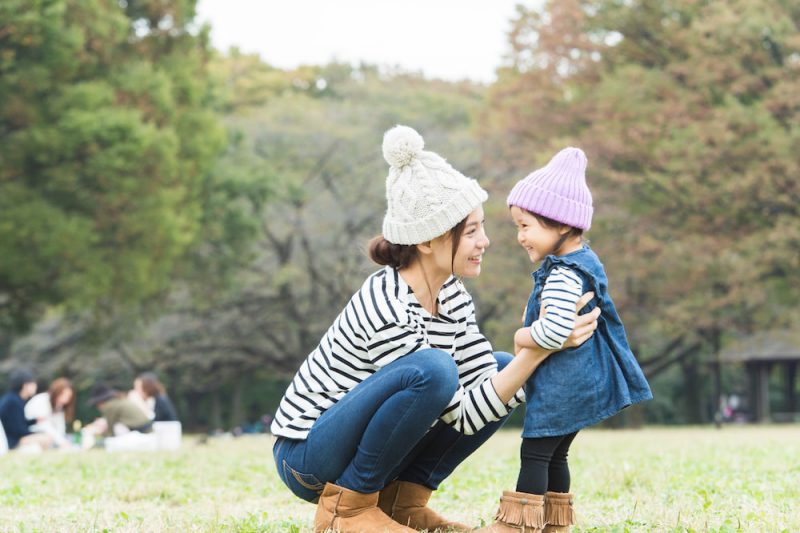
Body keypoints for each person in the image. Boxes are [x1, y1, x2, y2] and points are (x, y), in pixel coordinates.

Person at [270, 126, 600, 533]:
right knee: (436, 370)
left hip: (362, 450)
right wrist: (533, 348)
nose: (487, 241)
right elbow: (455, 408)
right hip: (308, 456)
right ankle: (347, 510)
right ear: (429, 241)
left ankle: (401, 502)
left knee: (498, 366)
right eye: (473, 230)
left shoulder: (453, 295)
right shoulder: (388, 302)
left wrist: (541, 340)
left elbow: (479, 395)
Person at [477, 148, 653, 532]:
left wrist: (520, 335)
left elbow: (554, 331)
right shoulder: (584, 260)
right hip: (578, 382)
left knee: (535, 453)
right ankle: (556, 524)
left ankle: (516, 526)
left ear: (559, 224)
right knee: (555, 456)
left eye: (525, 225)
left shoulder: (563, 274)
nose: (520, 236)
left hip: (562, 385)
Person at [0, 370, 54, 450]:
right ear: (25, 385)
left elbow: (18, 423)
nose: (36, 386)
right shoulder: (13, 402)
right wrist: (37, 433)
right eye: (33, 383)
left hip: (12, 437)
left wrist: (35, 420)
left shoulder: (13, 399)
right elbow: (19, 430)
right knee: (46, 438)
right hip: (11, 441)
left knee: (43, 436)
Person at [24, 377, 76, 449]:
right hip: (31, 433)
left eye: (68, 396)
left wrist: (64, 442)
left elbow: (60, 427)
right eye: (63, 395)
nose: (65, 399)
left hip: (48, 436)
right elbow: (44, 426)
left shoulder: (59, 406)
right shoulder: (41, 400)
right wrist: (62, 442)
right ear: (56, 392)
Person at [85, 383, 153, 437]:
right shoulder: (117, 401)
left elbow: (111, 430)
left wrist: (100, 434)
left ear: (100, 402)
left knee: (118, 427)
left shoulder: (109, 406)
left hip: (140, 429)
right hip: (147, 427)